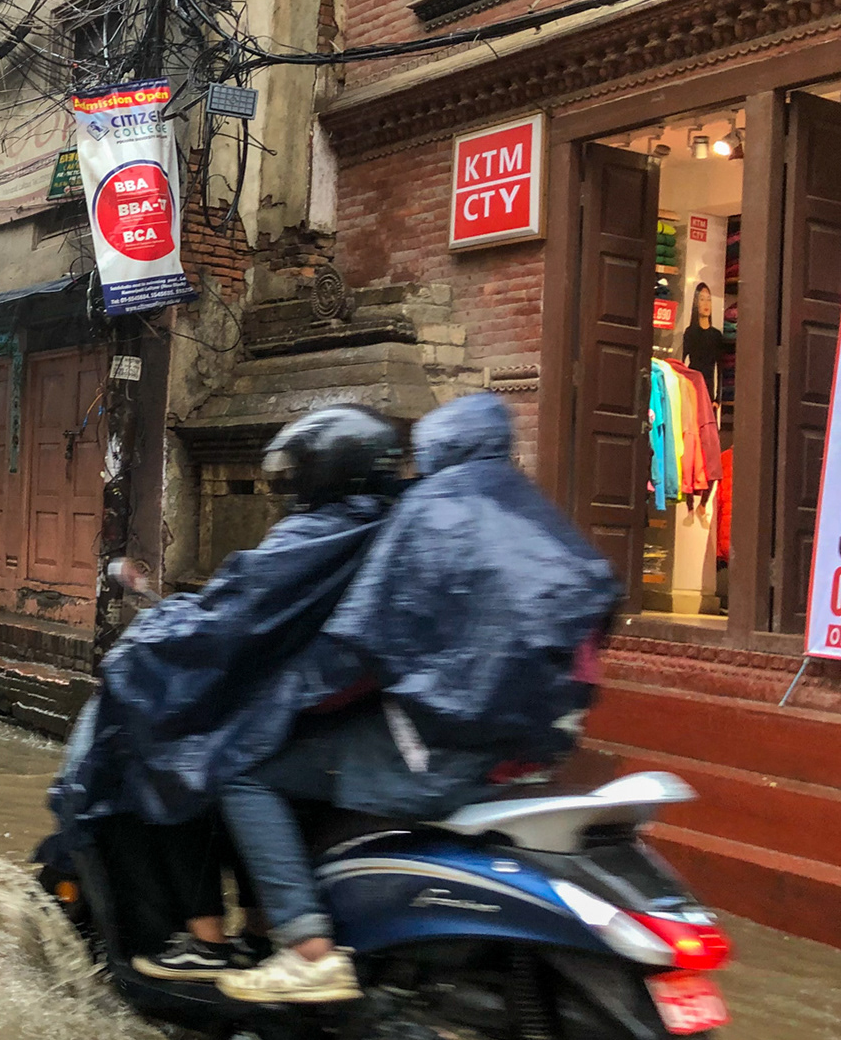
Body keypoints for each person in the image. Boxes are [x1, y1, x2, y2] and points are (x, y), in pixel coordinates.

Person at [212, 393, 621, 1005]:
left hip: (449, 747)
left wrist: (287, 702)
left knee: (245, 769)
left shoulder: (431, 512)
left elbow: (360, 647)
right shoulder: (535, 511)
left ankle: (305, 950)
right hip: (541, 748)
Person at [52, 405, 405, 981]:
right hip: (332, 711)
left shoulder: (319, 536)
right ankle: (261, 927)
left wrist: (149, 641)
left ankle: (207, 941)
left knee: (184, 762)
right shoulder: (384, 526)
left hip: (319, 712)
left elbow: (231, 615)